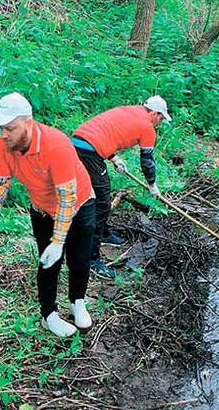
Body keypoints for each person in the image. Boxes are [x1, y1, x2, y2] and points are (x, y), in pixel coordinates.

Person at [0, 92, 96, 337]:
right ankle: (49, 314)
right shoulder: (6, 145)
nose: (4, 135)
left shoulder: (56, 145)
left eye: (10, 128)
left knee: (80, 259)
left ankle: (78, 302)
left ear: (28, 123)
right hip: (42, 209)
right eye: (1, 128)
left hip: (79, 204)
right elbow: (0, 182)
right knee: (47, 262)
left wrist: (59, 240)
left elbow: (67, 199)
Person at [71, 96, 172, 279]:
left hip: (78, 142)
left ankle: (103, 233)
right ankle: (92, 259)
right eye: (161, 118)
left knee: (97, 195)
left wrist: (114, 159)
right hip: (88, 151)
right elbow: (147, 160)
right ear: (154, 113)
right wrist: (152, 185)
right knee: (102, 202)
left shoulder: (129, 109)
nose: (160, 122)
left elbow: (106, 133)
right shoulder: (147, 127)